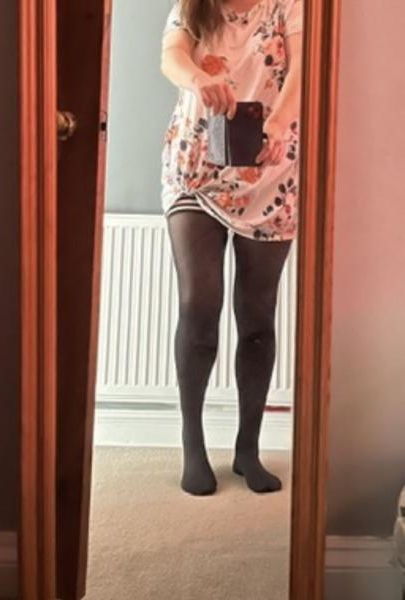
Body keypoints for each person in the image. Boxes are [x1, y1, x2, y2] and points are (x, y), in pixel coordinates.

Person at [160, 0, 303, 496]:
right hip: (196, 168)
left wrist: (277, 125)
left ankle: (247, 450)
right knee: (199, 304)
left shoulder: (290, 6)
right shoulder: (194, 5)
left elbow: (304, 72)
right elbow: (171, 55)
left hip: (269, 171)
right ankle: (192, 446)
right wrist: (198, 79)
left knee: (258, 318)